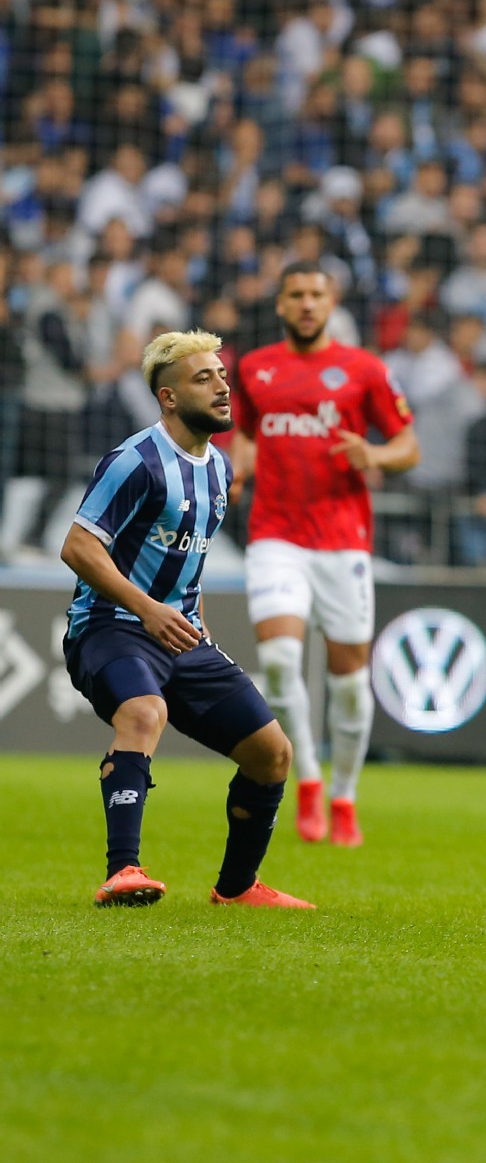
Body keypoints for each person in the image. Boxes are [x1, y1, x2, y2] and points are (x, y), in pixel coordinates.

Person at [60, 330, 312, 909]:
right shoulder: (136, 460)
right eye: (204, 379)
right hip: (110, 626)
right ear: (168, 397)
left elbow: (181, 560)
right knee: (145, 712)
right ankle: (123, 871)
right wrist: (146, 609)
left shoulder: (218, 468)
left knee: (272, 754)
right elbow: (78, 546)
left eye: (222, 375)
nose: (222, 386)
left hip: (180, 634)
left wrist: (185, 618)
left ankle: (237, 888)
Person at [229, 263, 420, 847]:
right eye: (296, 295)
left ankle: (345, 797)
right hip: (276, 536)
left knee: (349, 683)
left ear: (331, 303)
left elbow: (410, 447)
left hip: (343, 541)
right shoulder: (254, 368)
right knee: (283, 660)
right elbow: (243, 432)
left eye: (317, 295)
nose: (308, 304)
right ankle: (308, 781)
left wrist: (377, 456)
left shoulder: (364, 369)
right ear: (281, 304)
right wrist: (235, 471)